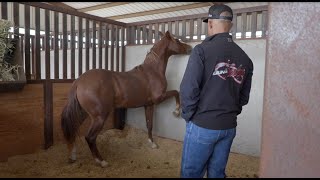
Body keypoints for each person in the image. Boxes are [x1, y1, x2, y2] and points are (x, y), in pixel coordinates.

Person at [179, 4, 254, 178]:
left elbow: (188, 89)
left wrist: (189, 116)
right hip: (229, 127)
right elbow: (244, 97)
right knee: (217, 173)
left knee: (191, 174)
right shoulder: (245, 58)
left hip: (202, 125)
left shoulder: (201, 51)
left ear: (210, 24)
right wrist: (229, 113)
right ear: (231, 26)